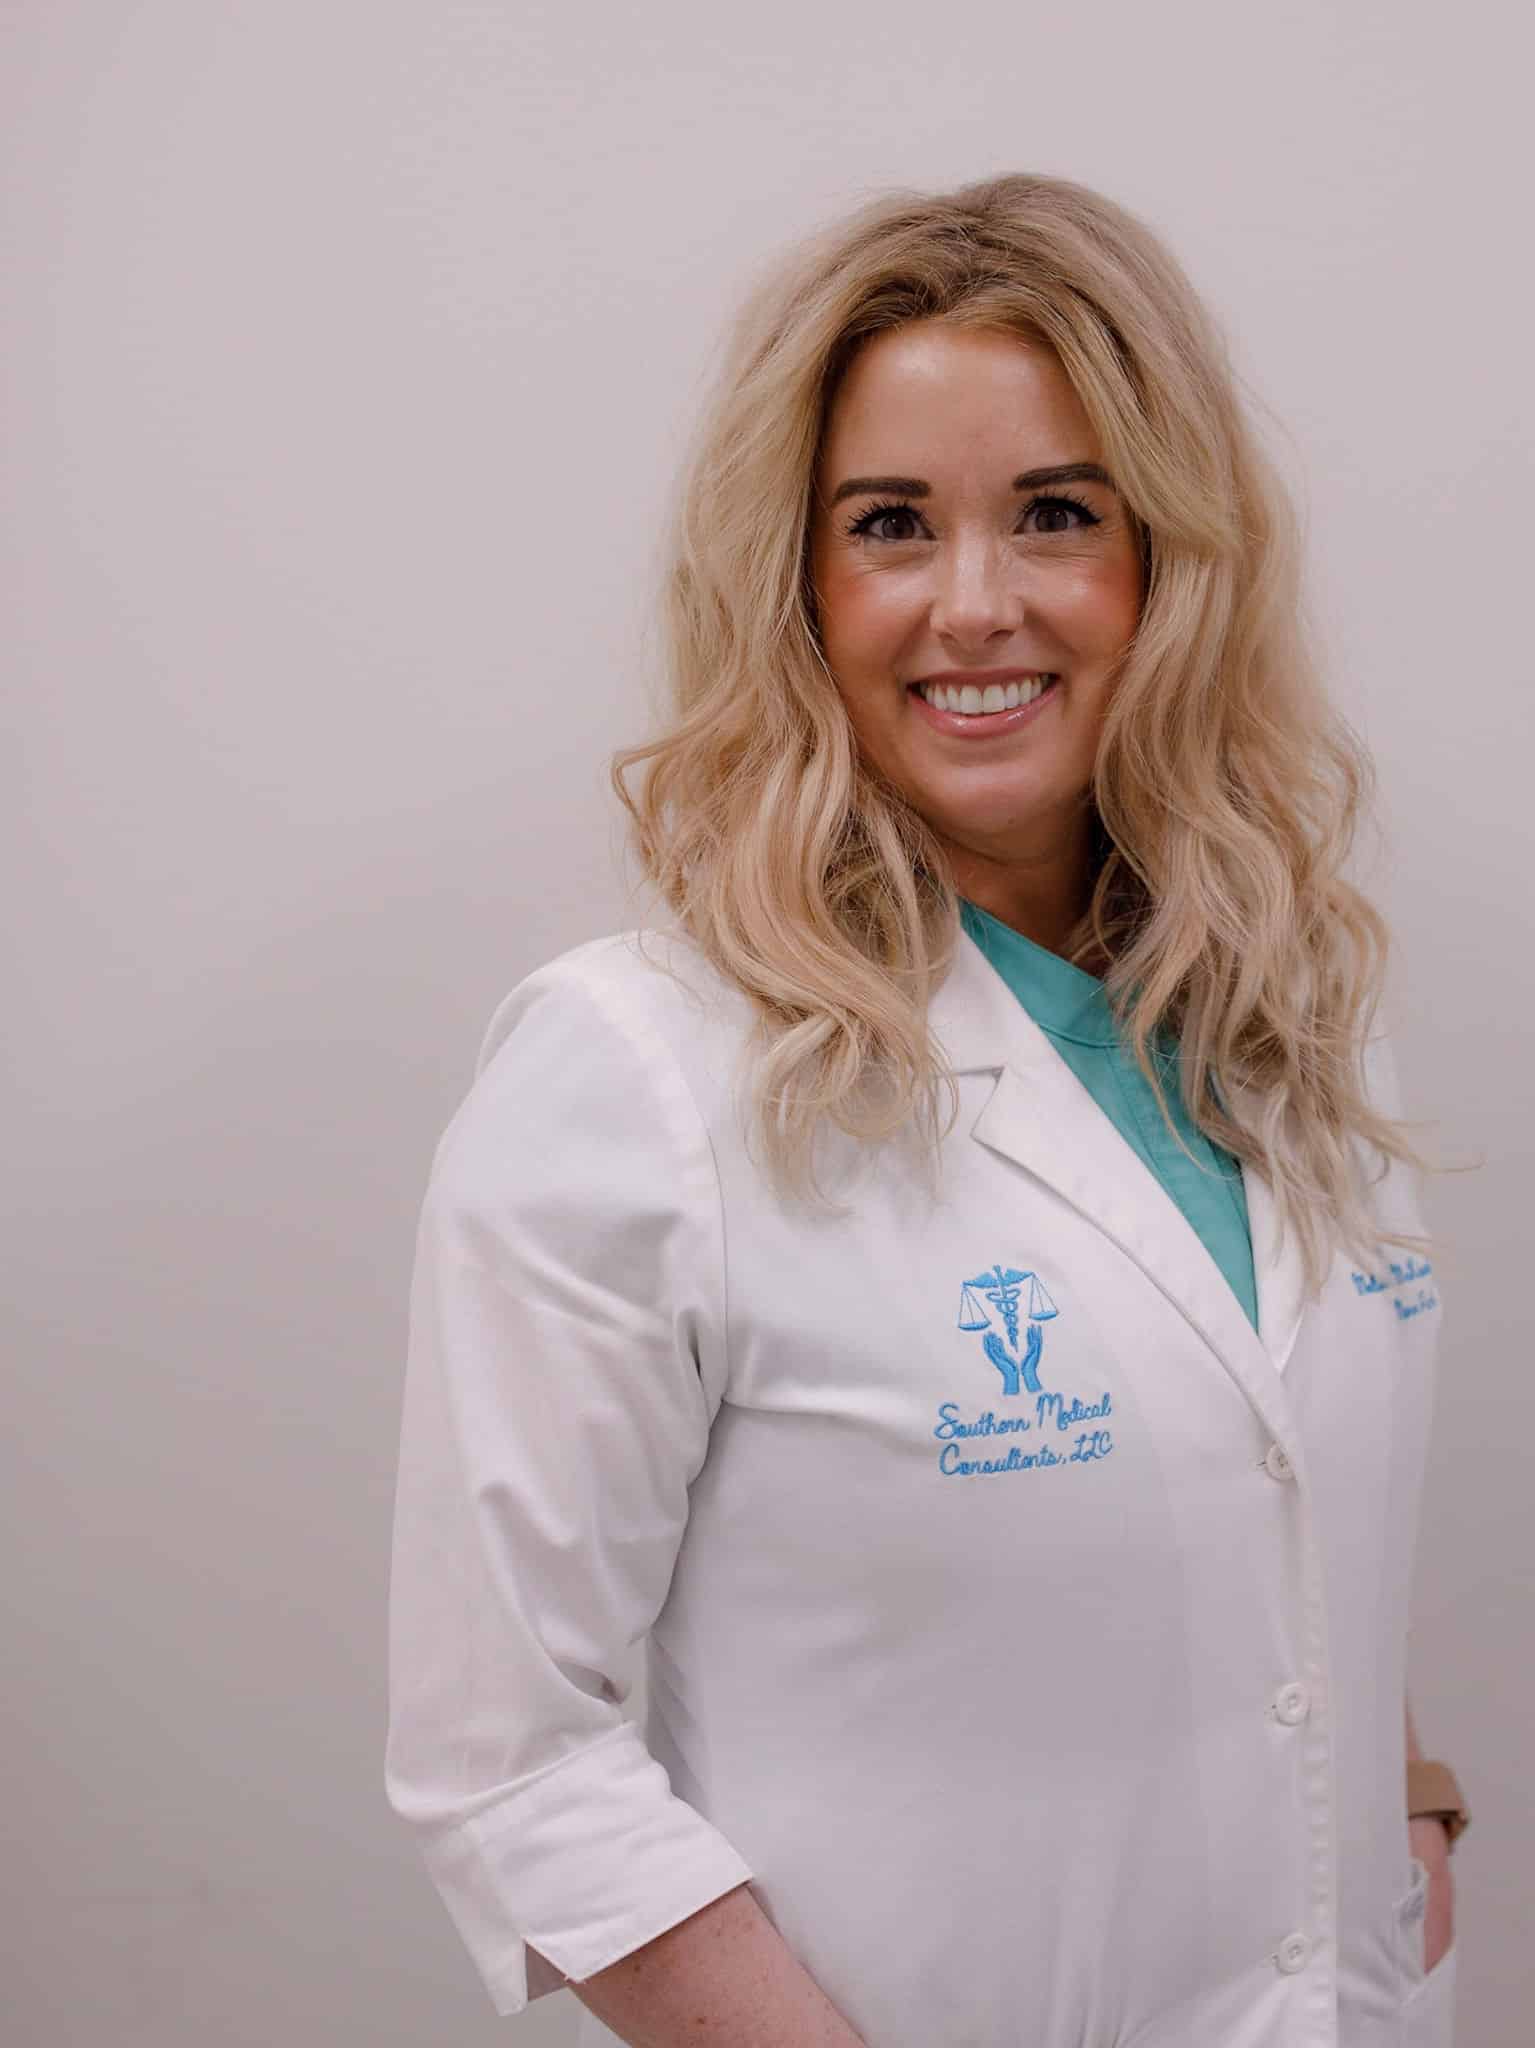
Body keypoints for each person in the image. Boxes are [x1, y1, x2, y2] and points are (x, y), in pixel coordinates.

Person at [385, 170, 1468, 2048]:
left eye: (1057, 513)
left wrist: (1405, 1788)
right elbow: (509, 1760)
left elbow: (1266, 1483)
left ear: (1171, 561)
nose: (977, 605)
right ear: (798, 583)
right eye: (892, 524)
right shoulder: (633, 1072)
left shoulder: (1298, 1021)